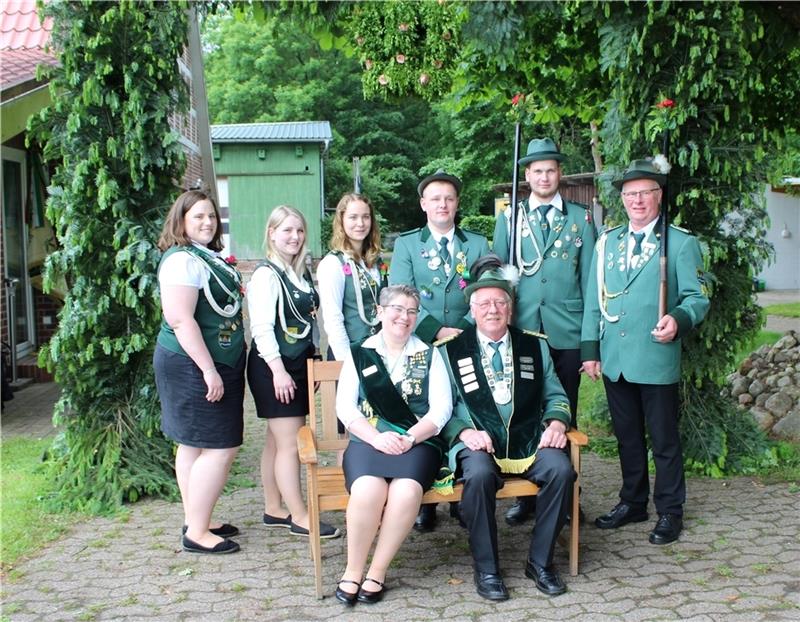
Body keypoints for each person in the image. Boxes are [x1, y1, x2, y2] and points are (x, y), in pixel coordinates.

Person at [581, 158, 709, 545]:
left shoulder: (680, 242)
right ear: (622, 199)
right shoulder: (608, 242)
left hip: (655, 355)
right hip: (615, 359)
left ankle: (670, 510)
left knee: (664, 439)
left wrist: (678, 319)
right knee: (627, 437)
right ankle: (633, 502)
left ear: (659, 195)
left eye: (645, 193)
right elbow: (593, 299)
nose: (638, 200)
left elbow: (698, 297)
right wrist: (591, 348)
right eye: (630, 193)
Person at [439, 255, 575, 600]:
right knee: (480, 476)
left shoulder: (534, 344)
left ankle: (540, 562)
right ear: (472, 309)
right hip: (477, 442)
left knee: (561, 469)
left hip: (529, 441)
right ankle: (487, 569)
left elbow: (556, 393)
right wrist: (463, 432)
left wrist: (557, 422)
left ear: (510, 308)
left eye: (500, 302)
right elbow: (439, 409)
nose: (492, 309)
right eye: (483, 303)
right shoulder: (450, 351)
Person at [493, 137, 596, 525]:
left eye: (551, 170)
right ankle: (528, 494)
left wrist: (589, 343)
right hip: (522, 331)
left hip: (566, 331)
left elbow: (590, 281)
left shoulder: (580, 218)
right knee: (523, 411)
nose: (544, 176)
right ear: (527, 175)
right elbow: (500, 276)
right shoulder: (510, 218)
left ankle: (568, 494)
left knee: (564, 413)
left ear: (560, 174)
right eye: (537, 171)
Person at [333, 285, 453, 605]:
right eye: (397, 309)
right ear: (381, 312)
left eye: (412, 311)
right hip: (369, 441)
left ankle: (378, 571)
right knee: (368, 490)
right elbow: (346, 408)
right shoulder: (360, 353)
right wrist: (376, 437)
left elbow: (441, 409)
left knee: (407, 491)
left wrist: (410, 437)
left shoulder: (430, 354)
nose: (404, 317)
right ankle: (353, 570)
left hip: (416, 442)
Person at [389, 168, 490, 532]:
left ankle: (465, 494)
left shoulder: (477, 244)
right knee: (423, 414)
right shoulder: (407, 244)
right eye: (435, 198)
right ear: (423, 205)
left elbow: (485, 290)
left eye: (449, 198)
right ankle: (424, 497)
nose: (442, 204)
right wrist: (435, 329)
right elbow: (400, 293)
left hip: (466, 344)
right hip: (420, 344)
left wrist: (461, 329)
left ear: (457, 203)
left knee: (467, 410)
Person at [153, 190, 245, 555]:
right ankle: (197, 534)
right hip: (194, 363)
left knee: (191, 443)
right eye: (198, 217)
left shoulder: (203, 256)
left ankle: (198, 518)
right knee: (222, 446)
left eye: (211, 216)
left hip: (206, 360)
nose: (207, 223)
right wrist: (209, 370)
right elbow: (180, 319)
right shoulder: (181, 261)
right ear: (181, 222)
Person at [246, 205, 339, 539]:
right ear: (271, 233)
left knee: (275, 442)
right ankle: (300, 516)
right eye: (286, 230)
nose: (295, 237)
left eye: (299, 231)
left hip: (296, 366)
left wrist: (307, 365)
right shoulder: (266, 275)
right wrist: (279, 372)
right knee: (289, 444)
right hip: (274, 367)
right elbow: (260, 328)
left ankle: (274, 508)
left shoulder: (296, 273)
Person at [317, 193, 387, 362]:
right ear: (341, 220)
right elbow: (333, 320)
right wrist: (347, 362)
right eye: (353, 217)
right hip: (350, 354)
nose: (360, 223)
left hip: (381, 350)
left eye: (366, 217)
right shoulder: (333, 263)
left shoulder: (376, 261)